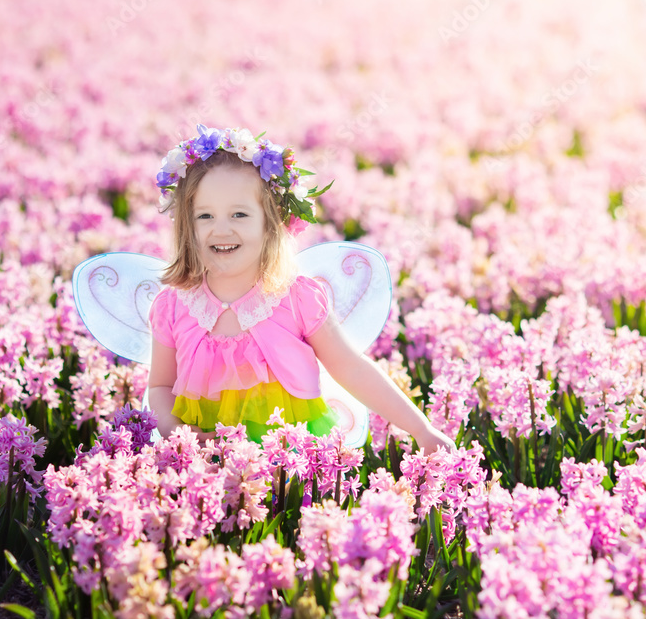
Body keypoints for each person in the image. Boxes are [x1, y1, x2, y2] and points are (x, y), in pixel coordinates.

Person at [146, 125, 455, 454]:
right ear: (185, 225)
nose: (222, 229)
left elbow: (351, 367)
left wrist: (420, 429)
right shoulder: (174, 305)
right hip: (203, 459)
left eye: (239, 214)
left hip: (287, 459)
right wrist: (175, 431)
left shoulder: (297, 299)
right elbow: (160, 386)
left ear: (271, 223)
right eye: (204, 216)